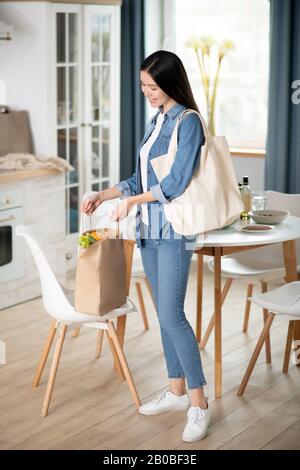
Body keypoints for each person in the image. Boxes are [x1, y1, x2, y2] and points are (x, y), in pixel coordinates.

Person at [82, 50, 210, 443]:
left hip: (173, 231)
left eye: (153, 86)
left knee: (172, 316)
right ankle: (175, 391)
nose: (147, 92)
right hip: (149, 232)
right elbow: (141, 178)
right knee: (163, 313)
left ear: (171, 83)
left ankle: (199, 404)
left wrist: (132, 203)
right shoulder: (157, 122)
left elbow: (174, 183)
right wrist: (106, 194)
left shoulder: (187, 123)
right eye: (143, 86)